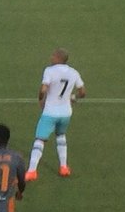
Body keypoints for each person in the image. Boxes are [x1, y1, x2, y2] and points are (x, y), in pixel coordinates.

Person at [26, 47, 85, 180]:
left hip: (50, 112)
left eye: (53, 56)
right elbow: (82, 92)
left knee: (40, 139)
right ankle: (63, 167)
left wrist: (41, 99)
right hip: (65, 113)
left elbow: (43, 89)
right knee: (60, 136)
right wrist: (73, 98)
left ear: (58, 58)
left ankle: (31, 171)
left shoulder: (49, 71)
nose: (51, 57)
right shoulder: (74, 72)